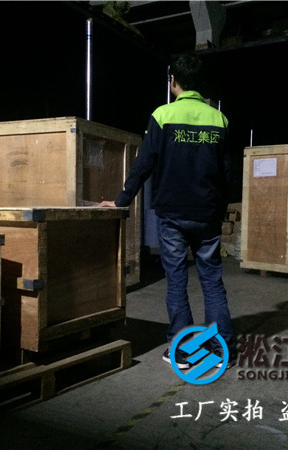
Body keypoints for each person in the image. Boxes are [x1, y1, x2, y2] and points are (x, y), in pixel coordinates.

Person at [99, 53, 236, 370]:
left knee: (176, 281)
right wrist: (219, 210)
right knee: (212, 282)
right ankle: (222, 349)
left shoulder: (162, 116)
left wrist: (121, 200)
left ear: (173, 81)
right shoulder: (219, 119)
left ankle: (183, 349)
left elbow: (143, 164)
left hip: (172, 214)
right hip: (207, 215)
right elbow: (227, 173)